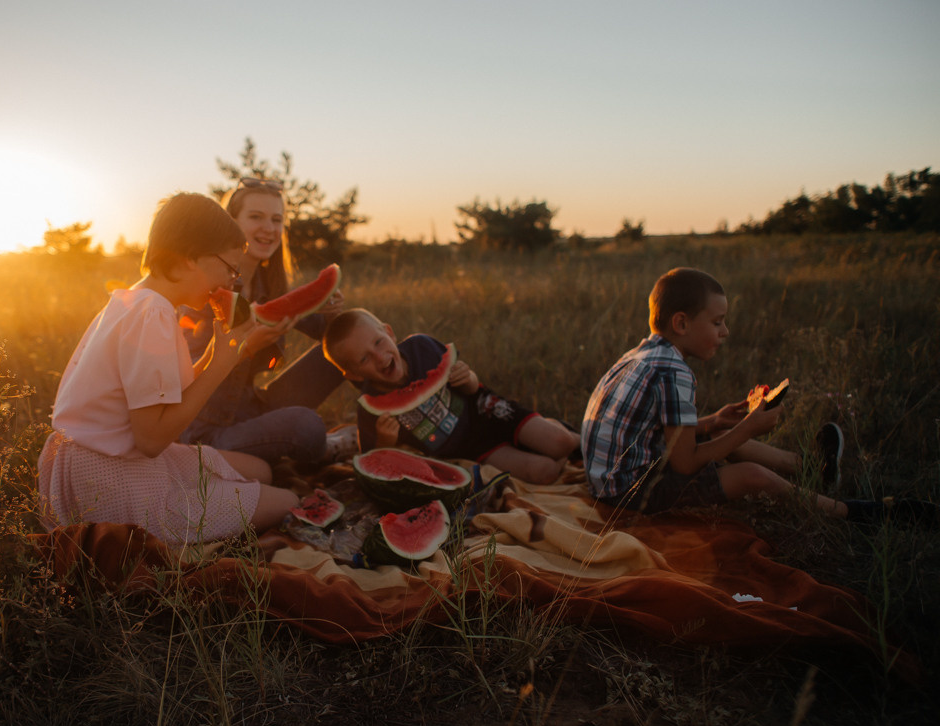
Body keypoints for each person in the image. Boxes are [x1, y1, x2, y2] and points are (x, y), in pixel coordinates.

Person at [37, 192, 299, 542]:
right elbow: (151, 439)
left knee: (260, 470)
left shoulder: (136, 300)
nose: (232, 282)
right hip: (107, 480)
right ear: (192, 258)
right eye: (229, 268)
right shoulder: (154, 316)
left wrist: (222, 352)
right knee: (288, 501)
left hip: (87, 463)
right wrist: (221, 363)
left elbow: (164, 395)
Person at [580, 266, 885, 521]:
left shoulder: (642, 354)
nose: (725, 331)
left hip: (607, 481)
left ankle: (812, 467)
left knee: (722, 434)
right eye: (717, 322)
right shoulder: (674, 372)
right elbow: (685, 464)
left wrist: (714, 421)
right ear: (682, 323)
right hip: (628, 494)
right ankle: (851, 513)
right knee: (751, 475)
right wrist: (749, 427)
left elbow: (658, 431)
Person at [178, 177, 356, 464]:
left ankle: (393, 416)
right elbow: (184, 376)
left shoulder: (266, 284)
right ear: (230, 222)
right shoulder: (204, 289)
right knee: (306, 425)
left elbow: (324, 329)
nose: (269, 228)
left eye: (276, 219)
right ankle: (324, 449)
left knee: (343, 347)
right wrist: (243, 348)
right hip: (205, 431)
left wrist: (330, 309)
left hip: (251, 408)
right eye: (256, 217)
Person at [322, 308, 580, 484]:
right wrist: (385, 442)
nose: (380, 356)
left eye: (378, 342)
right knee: (544, 471)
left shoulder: (422, 347)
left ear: (389, 332)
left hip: (488, 410)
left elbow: (471, 387)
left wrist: (468, 378)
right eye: (364, 358)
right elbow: (375, 462)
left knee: (562, 442)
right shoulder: (370, 410)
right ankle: (539, 442)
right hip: (471, 449)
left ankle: (569, 434)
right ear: (354, 375)